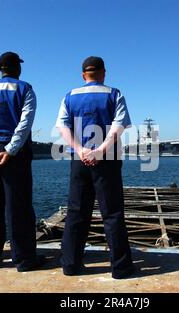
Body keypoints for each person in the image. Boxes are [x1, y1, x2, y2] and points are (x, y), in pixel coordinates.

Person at [55, 56, 136, 279]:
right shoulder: (114, 94)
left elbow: (63, 126)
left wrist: (80, 150)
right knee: (112, 214)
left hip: (78, 161)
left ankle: (71, 265)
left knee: (76, 212)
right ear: (103, 73)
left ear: (83, 75)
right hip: (107, 160)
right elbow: (119, 126)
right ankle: (120, 268)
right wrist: (100, 150)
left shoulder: (69, 96)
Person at [0, 52, 45, 272]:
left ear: (0, 68)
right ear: (17, 68)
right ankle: (23, 259)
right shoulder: (25, 89)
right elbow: (25, 123)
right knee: (19, 207)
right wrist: (11, 150)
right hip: (15, 155)